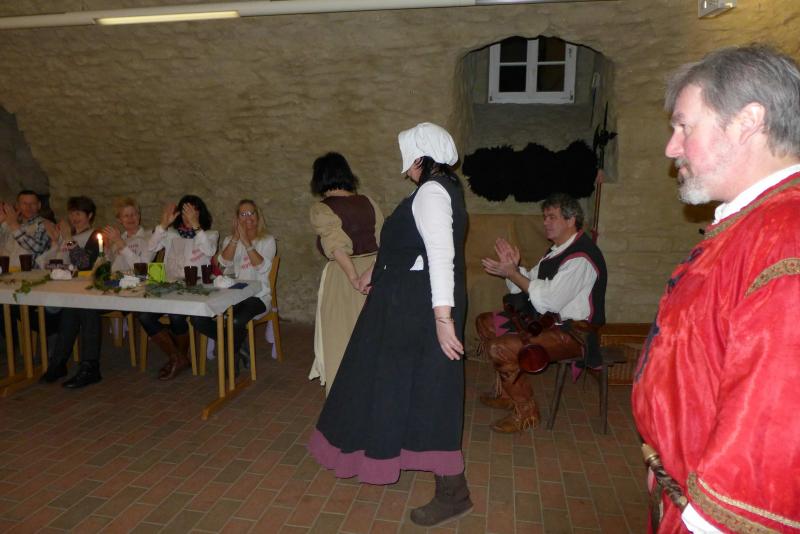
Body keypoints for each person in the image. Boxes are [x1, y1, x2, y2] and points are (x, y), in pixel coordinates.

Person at [631, 45, 800, 533]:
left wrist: (703, 518)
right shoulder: (755, 225)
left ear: (747, 122)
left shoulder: (785, 238)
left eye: (684, 126)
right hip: (684, 487)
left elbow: (775, 424)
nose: (672, 148)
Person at [308, 122, 472, 527]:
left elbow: (440, 256)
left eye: (408, 157)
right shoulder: (436, 189)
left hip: (419, 309)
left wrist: (443, 319)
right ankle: (390, 453)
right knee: (398, 386)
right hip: (406, 304)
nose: (405, 166)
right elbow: (411, 250)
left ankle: (454, 492)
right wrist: (374, 273)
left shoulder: (432, 193)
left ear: (420, 157)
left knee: (432, 392)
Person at [476, 193, 606, 433]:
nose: (545, 222)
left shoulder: (581, 257)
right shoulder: (556, 251)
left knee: (500, 347)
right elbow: (531, 283)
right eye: (545, 217)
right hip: (547, 323)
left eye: (552, 217)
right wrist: (514, 269)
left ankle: (527, 413)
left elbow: (548, 301)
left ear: (571, 220)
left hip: (574, 334)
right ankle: (507, 394)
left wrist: (513, 273)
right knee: (485, 322)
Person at [307, 152, 384, 394]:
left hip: (344, 277)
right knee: (373, 337)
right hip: (375, 273)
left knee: (340, 338)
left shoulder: (322, 209)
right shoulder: (368, 202)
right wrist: (373, 271)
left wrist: (354, 278)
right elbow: (384, 240)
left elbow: (337, 247)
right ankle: (373, 395)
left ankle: (344, 400)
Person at [138, 195, 218, 381]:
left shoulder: (209, 234)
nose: (188, 215)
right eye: (185, 211)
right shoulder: (171, 234)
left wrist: (196, 225)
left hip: (193, 290)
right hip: (168, 289)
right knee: (144, 316)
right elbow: (150, 249)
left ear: (200, 213)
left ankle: (178, 359)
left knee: (176, 315)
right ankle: (178, 357)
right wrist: (163, 224)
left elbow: (209, 251)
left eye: (193, 211)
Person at [192, 199, 276, 373]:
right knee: (198, 319)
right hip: (234, 295)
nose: (248, 217)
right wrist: (236, 239)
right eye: (243, 214)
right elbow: (223, 264)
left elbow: (261, 267)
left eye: (251, 213)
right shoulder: (231, 240)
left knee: (235, 320)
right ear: (237, 219)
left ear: (258, 216)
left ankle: (231, 358)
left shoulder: (268, 240)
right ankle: (237, 347)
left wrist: (247, 243)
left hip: (259, 296)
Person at [102, 197, 155, 272]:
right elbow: (108, 267)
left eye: (133, 214)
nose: (130, 218)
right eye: (126, 216)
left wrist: (121, 243)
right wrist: (107, 247)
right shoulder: (118, 238)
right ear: (119, 220)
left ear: (139, 216)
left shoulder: (149, 237)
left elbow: (142, 269)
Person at [0, 190, 51, 268]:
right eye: (24, 203)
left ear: (39, 205)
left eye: (32, 204)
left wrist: (14, 225)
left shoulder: (45, 224)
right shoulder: (8, 223)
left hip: (30, 274)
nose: (28, 207)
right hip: (5, 273)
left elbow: (38, 248)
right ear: (17, 205)